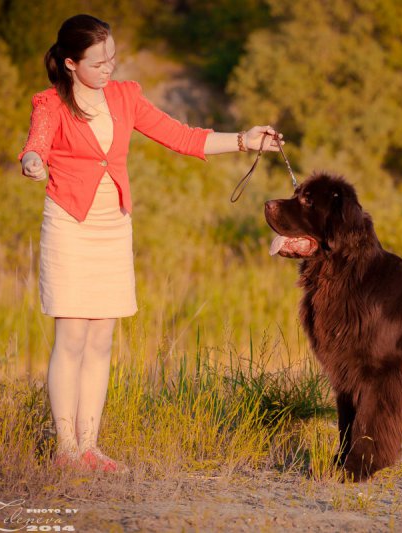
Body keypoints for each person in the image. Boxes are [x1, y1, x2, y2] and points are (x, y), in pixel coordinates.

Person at [18, 14, 282, 473]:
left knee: (101, 339)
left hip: (113, 227)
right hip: (69, 226)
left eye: (112, 58)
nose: (108, 68)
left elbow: (182, 137)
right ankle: (65, 450)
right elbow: (35, 145)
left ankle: (89, 446)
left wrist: (245, 140)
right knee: (72, 337)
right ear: (70, 63)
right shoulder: (51, 104)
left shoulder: (126, 96)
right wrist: (33, 161)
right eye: (98, 62)